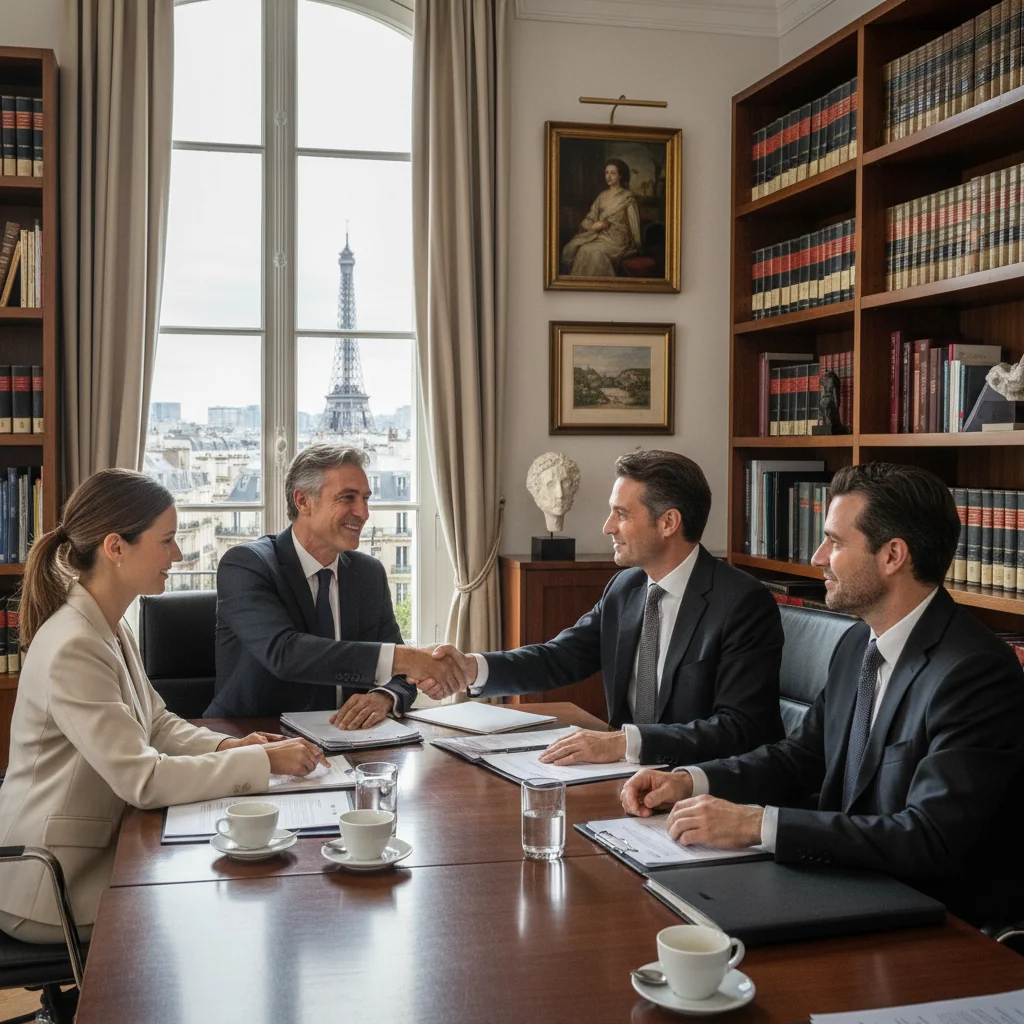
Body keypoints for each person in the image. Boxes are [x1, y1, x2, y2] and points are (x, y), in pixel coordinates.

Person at [621, 463, 1024, 927]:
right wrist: (690, 781)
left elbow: (928, 837)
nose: (817, 557)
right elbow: (801, 758)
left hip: (935, 922)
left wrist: (758, 825)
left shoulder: (974, 672)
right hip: (843, 886)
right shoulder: (857, 644)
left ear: (893, 555)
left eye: (835, 541)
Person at [0, 469, 327, 943]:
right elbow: (144, 780)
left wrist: (229, 747)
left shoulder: (108, 624)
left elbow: (155, 723)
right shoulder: (74, 645)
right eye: (167, 541)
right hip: (54, 884)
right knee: (213, 908)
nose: (177, 555)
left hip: (94, 853)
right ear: (116, 548)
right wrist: (260, 761)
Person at [418, 450, 785, 767]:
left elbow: (740, 728)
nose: (608, 527)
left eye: (621, 514)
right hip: (627, 777)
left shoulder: (742, 603)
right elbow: (559, 657)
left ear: (668, 523)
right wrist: (470, 669)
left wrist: (624, 743)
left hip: (704, 787)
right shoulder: (626, 588)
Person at [209, 444, 470, 723]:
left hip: (346, 736)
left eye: (365, 499)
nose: (363, 513)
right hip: (252, 737)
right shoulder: (247, 564)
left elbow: (401, 676)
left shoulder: (368, 574)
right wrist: (408, 658)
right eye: (348, 498)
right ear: (303, 501)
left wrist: (383, 697)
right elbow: (285, 653)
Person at [561, 158, 642, 277]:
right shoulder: (602, 196)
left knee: (594, 252)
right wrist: (594, 226)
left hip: (619, 241)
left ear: (620, 176)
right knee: (579, 248)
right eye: (607, 173)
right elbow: (591, 217)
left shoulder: (628, 198)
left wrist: (638, 245)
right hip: (600, 236)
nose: (609, 176)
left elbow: (634, 225)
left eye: (613, 173)